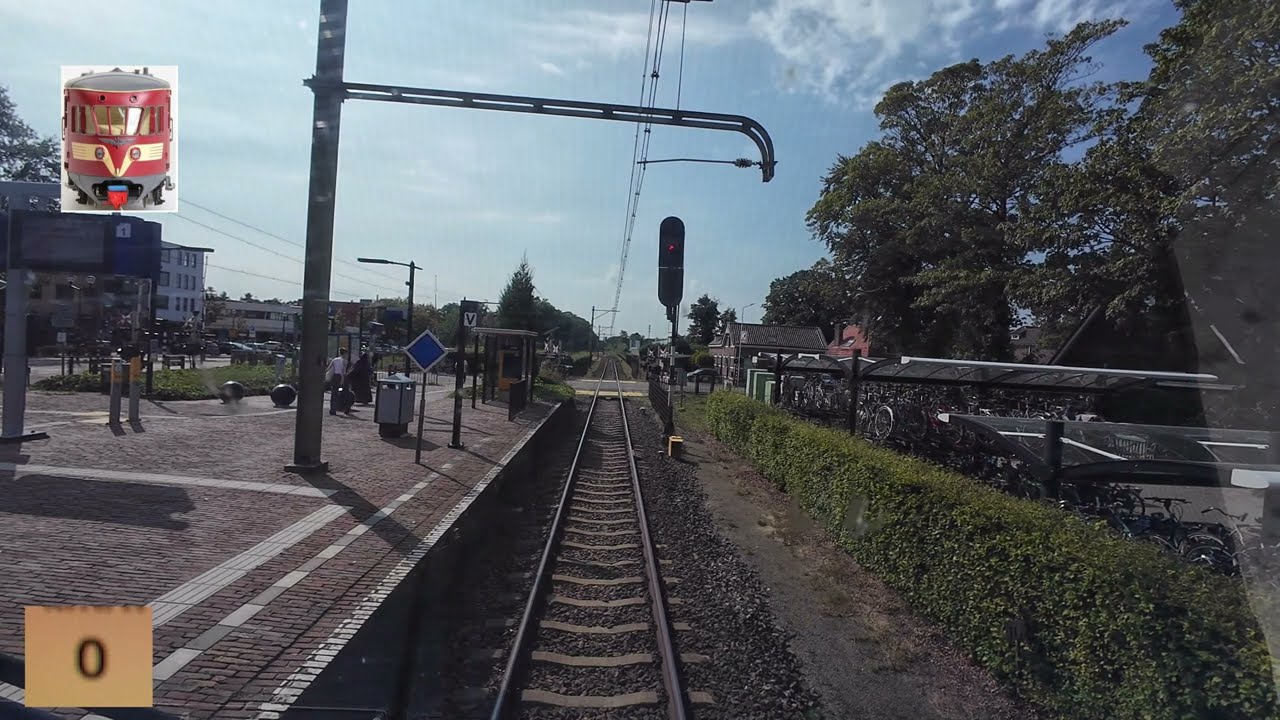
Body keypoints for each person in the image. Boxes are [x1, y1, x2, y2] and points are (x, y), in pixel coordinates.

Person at [327, 347, 350, 416]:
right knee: (345, 393)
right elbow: (343, 372)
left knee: (334, 393)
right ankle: (345, 409)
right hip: (340, 377)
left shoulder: (334, 360)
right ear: (345, 353)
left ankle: (332, 410)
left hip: (334, 377)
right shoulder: (345, 361)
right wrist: (342, 380)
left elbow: (329, 368)